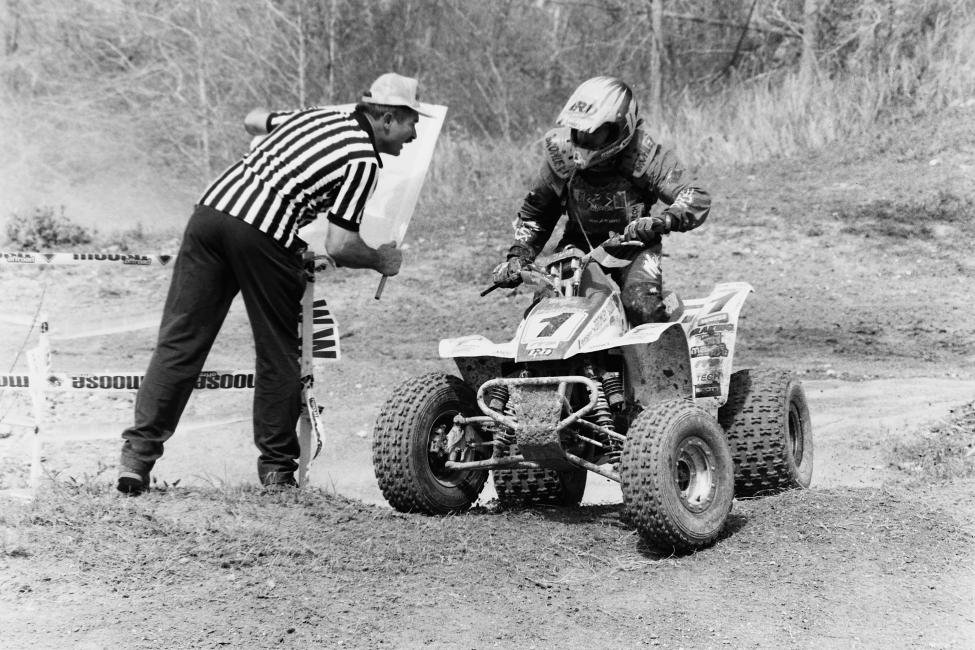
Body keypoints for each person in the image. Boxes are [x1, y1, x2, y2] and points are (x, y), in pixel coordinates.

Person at [117, 72, 431, 494]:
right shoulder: (364, 159)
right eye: (412, 122)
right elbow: (340, 246)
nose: (413, 135)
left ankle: (136, 459)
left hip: (210, 212)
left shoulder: (317, 117)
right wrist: (381, 260)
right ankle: (277, 472)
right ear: (388, 118)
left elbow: (253, 119)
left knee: (180, 342)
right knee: (278, 352)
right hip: (262, 231)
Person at [492, 76, 710, 325]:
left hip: (634, 242)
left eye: (595, 134)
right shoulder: (562, 154)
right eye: (580, 132)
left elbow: (694, 194)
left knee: (642, 308)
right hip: (577, 245)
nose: (585, 141)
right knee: (546, 310)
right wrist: (518, 256)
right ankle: (538, 365)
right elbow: (537, 214)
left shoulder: (643, 154)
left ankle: (667, 338)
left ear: (620, 127)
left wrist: (665, 220)